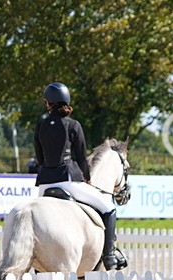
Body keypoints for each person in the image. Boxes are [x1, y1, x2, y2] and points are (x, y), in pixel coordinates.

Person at [34, 82, 127, 270]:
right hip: (67, 181)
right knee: (109, 209)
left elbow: (39, 158)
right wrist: (86, 177)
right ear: (66, 101)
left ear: (48, 103)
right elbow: (81, 156)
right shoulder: (73, 125)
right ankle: (109, 256)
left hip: (44, 184)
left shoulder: (41, 126)